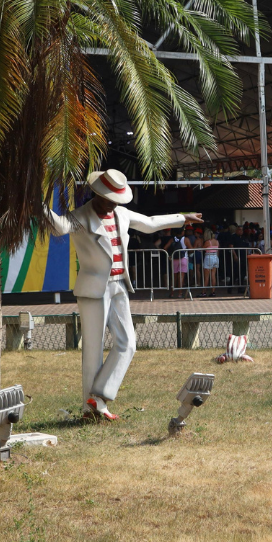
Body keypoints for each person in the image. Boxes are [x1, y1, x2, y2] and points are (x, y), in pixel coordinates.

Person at [46, 169, 200, 420]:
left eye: (116, 199)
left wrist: (182, 218)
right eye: (108, 198)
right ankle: (91, 408)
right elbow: (58, 227)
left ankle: (98, 397)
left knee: (128, 343)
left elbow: (149, 223)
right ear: (96, 194)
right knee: (92, 351)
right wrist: (36, 205)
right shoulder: (80, 216)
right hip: (93, 289)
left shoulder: (122, 213)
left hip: (119, 286)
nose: (112, 204)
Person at [169, 228, 191, 298]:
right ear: (182, 232)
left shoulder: (172, 239)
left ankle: (172, 293)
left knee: (174, 277)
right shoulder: (186, 239)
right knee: (181, 277)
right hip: (183, 258)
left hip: (174, 258)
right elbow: (191, 249)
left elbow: (165, 247)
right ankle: (180, 293)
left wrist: (169, 256)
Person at [199, 228, 219, 297]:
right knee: (213, 276)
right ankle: (213, 291)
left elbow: (202, 248)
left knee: (206, 276)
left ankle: (203, 292)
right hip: (215, 257)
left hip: (208, 257)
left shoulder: (208, 242)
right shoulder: (216, 241)